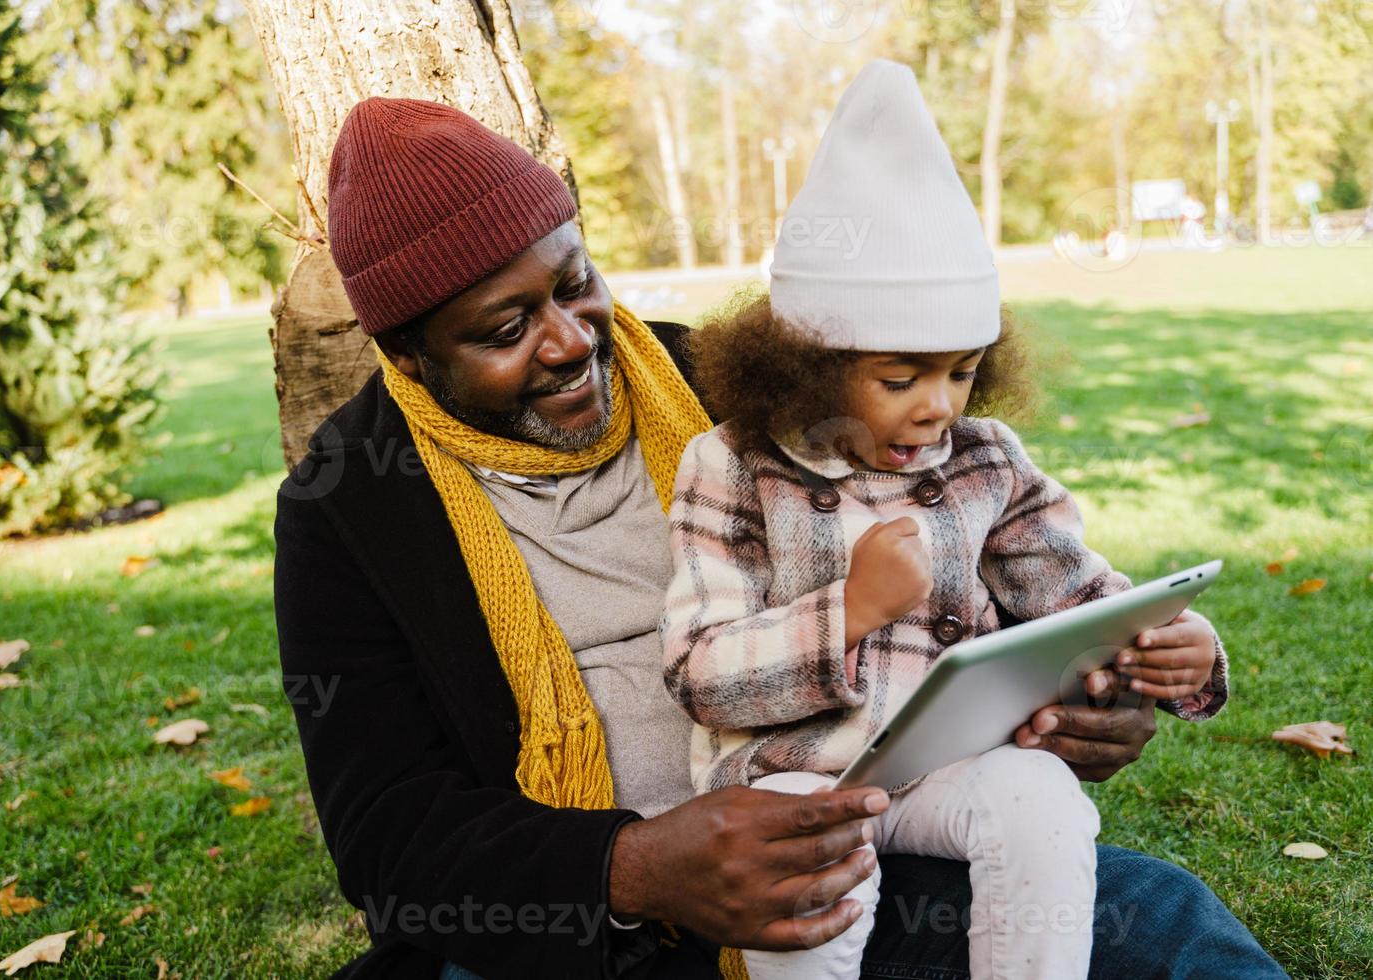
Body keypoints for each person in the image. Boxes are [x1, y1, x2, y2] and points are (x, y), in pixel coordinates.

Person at [272, 95, 1289, 979]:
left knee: (1160, 920)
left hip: (862, 838)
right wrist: (635, 866)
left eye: (574, 283)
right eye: (505, 330)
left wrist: (1079, 695)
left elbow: (993, 571)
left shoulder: (732, 388)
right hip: (581, 937)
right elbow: (387, 833)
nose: (572, 340)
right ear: (405, 350)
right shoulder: (349, 507)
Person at [660, 62, 1228, 980]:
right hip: (793, 772)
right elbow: (698, 674)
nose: (937, 407)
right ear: (807, 362)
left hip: (946, 764)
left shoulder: (984, 456)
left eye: (962, 370)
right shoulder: (729, 466)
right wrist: (849, 611)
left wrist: (1166, 642)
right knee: (809, 862)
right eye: (900, 378)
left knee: (1039, 793)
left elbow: (1076, 591)